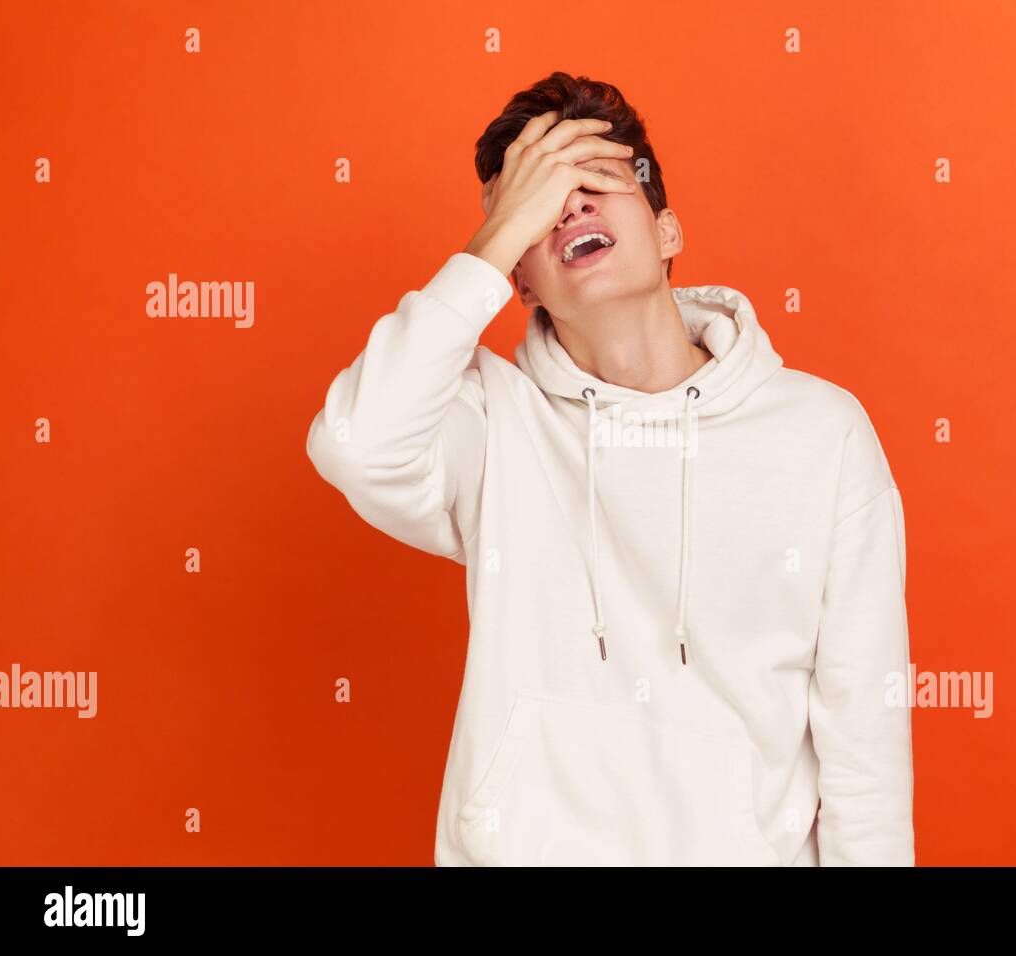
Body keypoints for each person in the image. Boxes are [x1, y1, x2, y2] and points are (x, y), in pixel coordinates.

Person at [305, 71, 914, 866]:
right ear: (518, 281)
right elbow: (355, 440)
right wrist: (490, 242)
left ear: (666, 230)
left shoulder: (821, 433)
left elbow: (866, 742)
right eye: (540, 203)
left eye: (594, 181)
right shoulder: (490, 424)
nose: (572, 208)